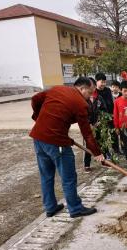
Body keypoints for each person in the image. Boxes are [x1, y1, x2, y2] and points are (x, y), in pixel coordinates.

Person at [29, 77, 104, 218]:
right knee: (68, 177)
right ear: (82, 89)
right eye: (90, 92)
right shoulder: (80, 104)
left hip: (38, 138)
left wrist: (39, 119)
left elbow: (35, 99)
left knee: (46, 175)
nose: (90, 96)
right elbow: (87, 133)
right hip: (57, 142)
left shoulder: (56, 89)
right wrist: (97, 153)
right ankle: (75, 209)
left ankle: (50, 207)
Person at [84, 77, 108, 173]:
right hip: (88, 126)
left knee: (101, 143)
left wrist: (99, 122)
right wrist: (88, 124)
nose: (92, 88)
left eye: (93, 86)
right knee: (89, 144)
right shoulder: (84, 98)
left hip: (98, 125)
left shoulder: (99, 98)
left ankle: (103, 161)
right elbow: (82, 114)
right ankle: (87, 164)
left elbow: (104, 111)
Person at [95, 72, 120, 156]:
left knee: (114, 133)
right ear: (96, 81)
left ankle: (116, 149)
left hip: (111, 115)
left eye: (104, 82)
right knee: (103, 135)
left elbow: (111, 102)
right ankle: (106, 152)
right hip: (101, 118)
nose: (103, 84)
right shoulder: (95, 92)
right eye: (101, 82)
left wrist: (114, 113)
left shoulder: (108, 90)